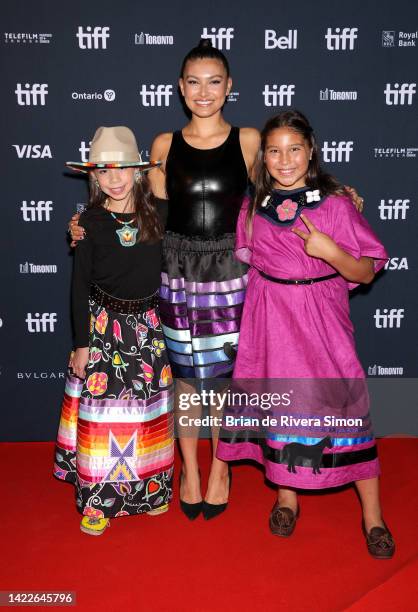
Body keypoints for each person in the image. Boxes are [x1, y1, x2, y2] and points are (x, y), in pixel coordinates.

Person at [68, 42, 364, 521]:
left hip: (231, 270)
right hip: (177, 272)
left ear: (228, 87)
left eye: (213, 81)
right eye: (193, 82)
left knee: (224, 383)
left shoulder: (249, 139)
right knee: (186, 380)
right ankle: (189, 468)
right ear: (181, 89)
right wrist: (87, 223)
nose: (203, 92)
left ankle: (220, 468)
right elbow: (147, 215)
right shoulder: (164, 145)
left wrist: (336, 195)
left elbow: (283, 187)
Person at [216, 110, 395, 559]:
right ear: (264, 158)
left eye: (294, 149)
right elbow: (250, 262)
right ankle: (286, 499)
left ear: (311, 152)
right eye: (274, 151)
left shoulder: (335, 205)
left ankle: (373, 516)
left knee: (345, 406)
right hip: (271, 320)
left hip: (322, 318)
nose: (284, 159)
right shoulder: (253, 207)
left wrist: (331, 251)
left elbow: (366, 272)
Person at [54, 126, 174, 535]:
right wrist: (82, 344)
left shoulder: (160, 212)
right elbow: (78, 286)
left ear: (138, 171)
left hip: (148, 329)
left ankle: (153, 490)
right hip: (104, 328)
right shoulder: (88, 222)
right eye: (104, 171)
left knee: (148, 413)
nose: (115, 177)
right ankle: (97, 501)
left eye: (122, 168)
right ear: (94, 177)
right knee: (103, 419)